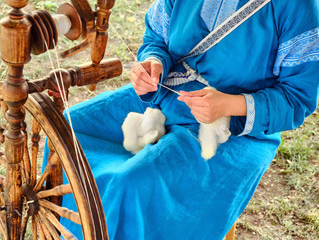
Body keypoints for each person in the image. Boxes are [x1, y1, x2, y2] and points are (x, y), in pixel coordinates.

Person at [47, 0, 319, 239]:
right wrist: (153, 62)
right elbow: (156, 38)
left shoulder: (297, 6)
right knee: (65, 130)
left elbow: (297, 99)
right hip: (165, 95)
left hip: (234, 130)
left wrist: (229, 104)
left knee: (131, 184)